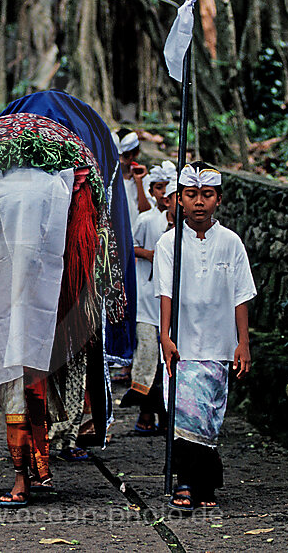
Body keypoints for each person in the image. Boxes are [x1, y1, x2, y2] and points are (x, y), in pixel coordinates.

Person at [155, 163, 256, 512]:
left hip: (218, 342)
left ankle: (205, 481)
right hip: (182, 343)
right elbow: (165, 291)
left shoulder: (231, 243)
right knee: (184, 412)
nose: (199, 202)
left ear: (219, 200)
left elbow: (241, 294)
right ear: (179, 200)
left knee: (209, 415)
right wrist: (165, 336)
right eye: (192, 195)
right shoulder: (169, 244)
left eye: (207, 195)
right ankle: (185, 482)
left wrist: (242, 342)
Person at [121, 162, 176, 436]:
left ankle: (167, 416)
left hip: (171, 305)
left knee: (170, 361)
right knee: (148, 357)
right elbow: (128, 247)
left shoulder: (188, 227)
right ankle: (145, 413)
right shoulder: (146, 220)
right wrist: (150, 255)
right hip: (146, 298)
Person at [115, 129, 151, 228]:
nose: (121, 160)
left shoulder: (144, 178)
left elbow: (146, 210)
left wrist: (138, 181)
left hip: (135, 232)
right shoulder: (108, 178)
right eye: (117, 155)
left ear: (135, 154)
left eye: (125, 156)